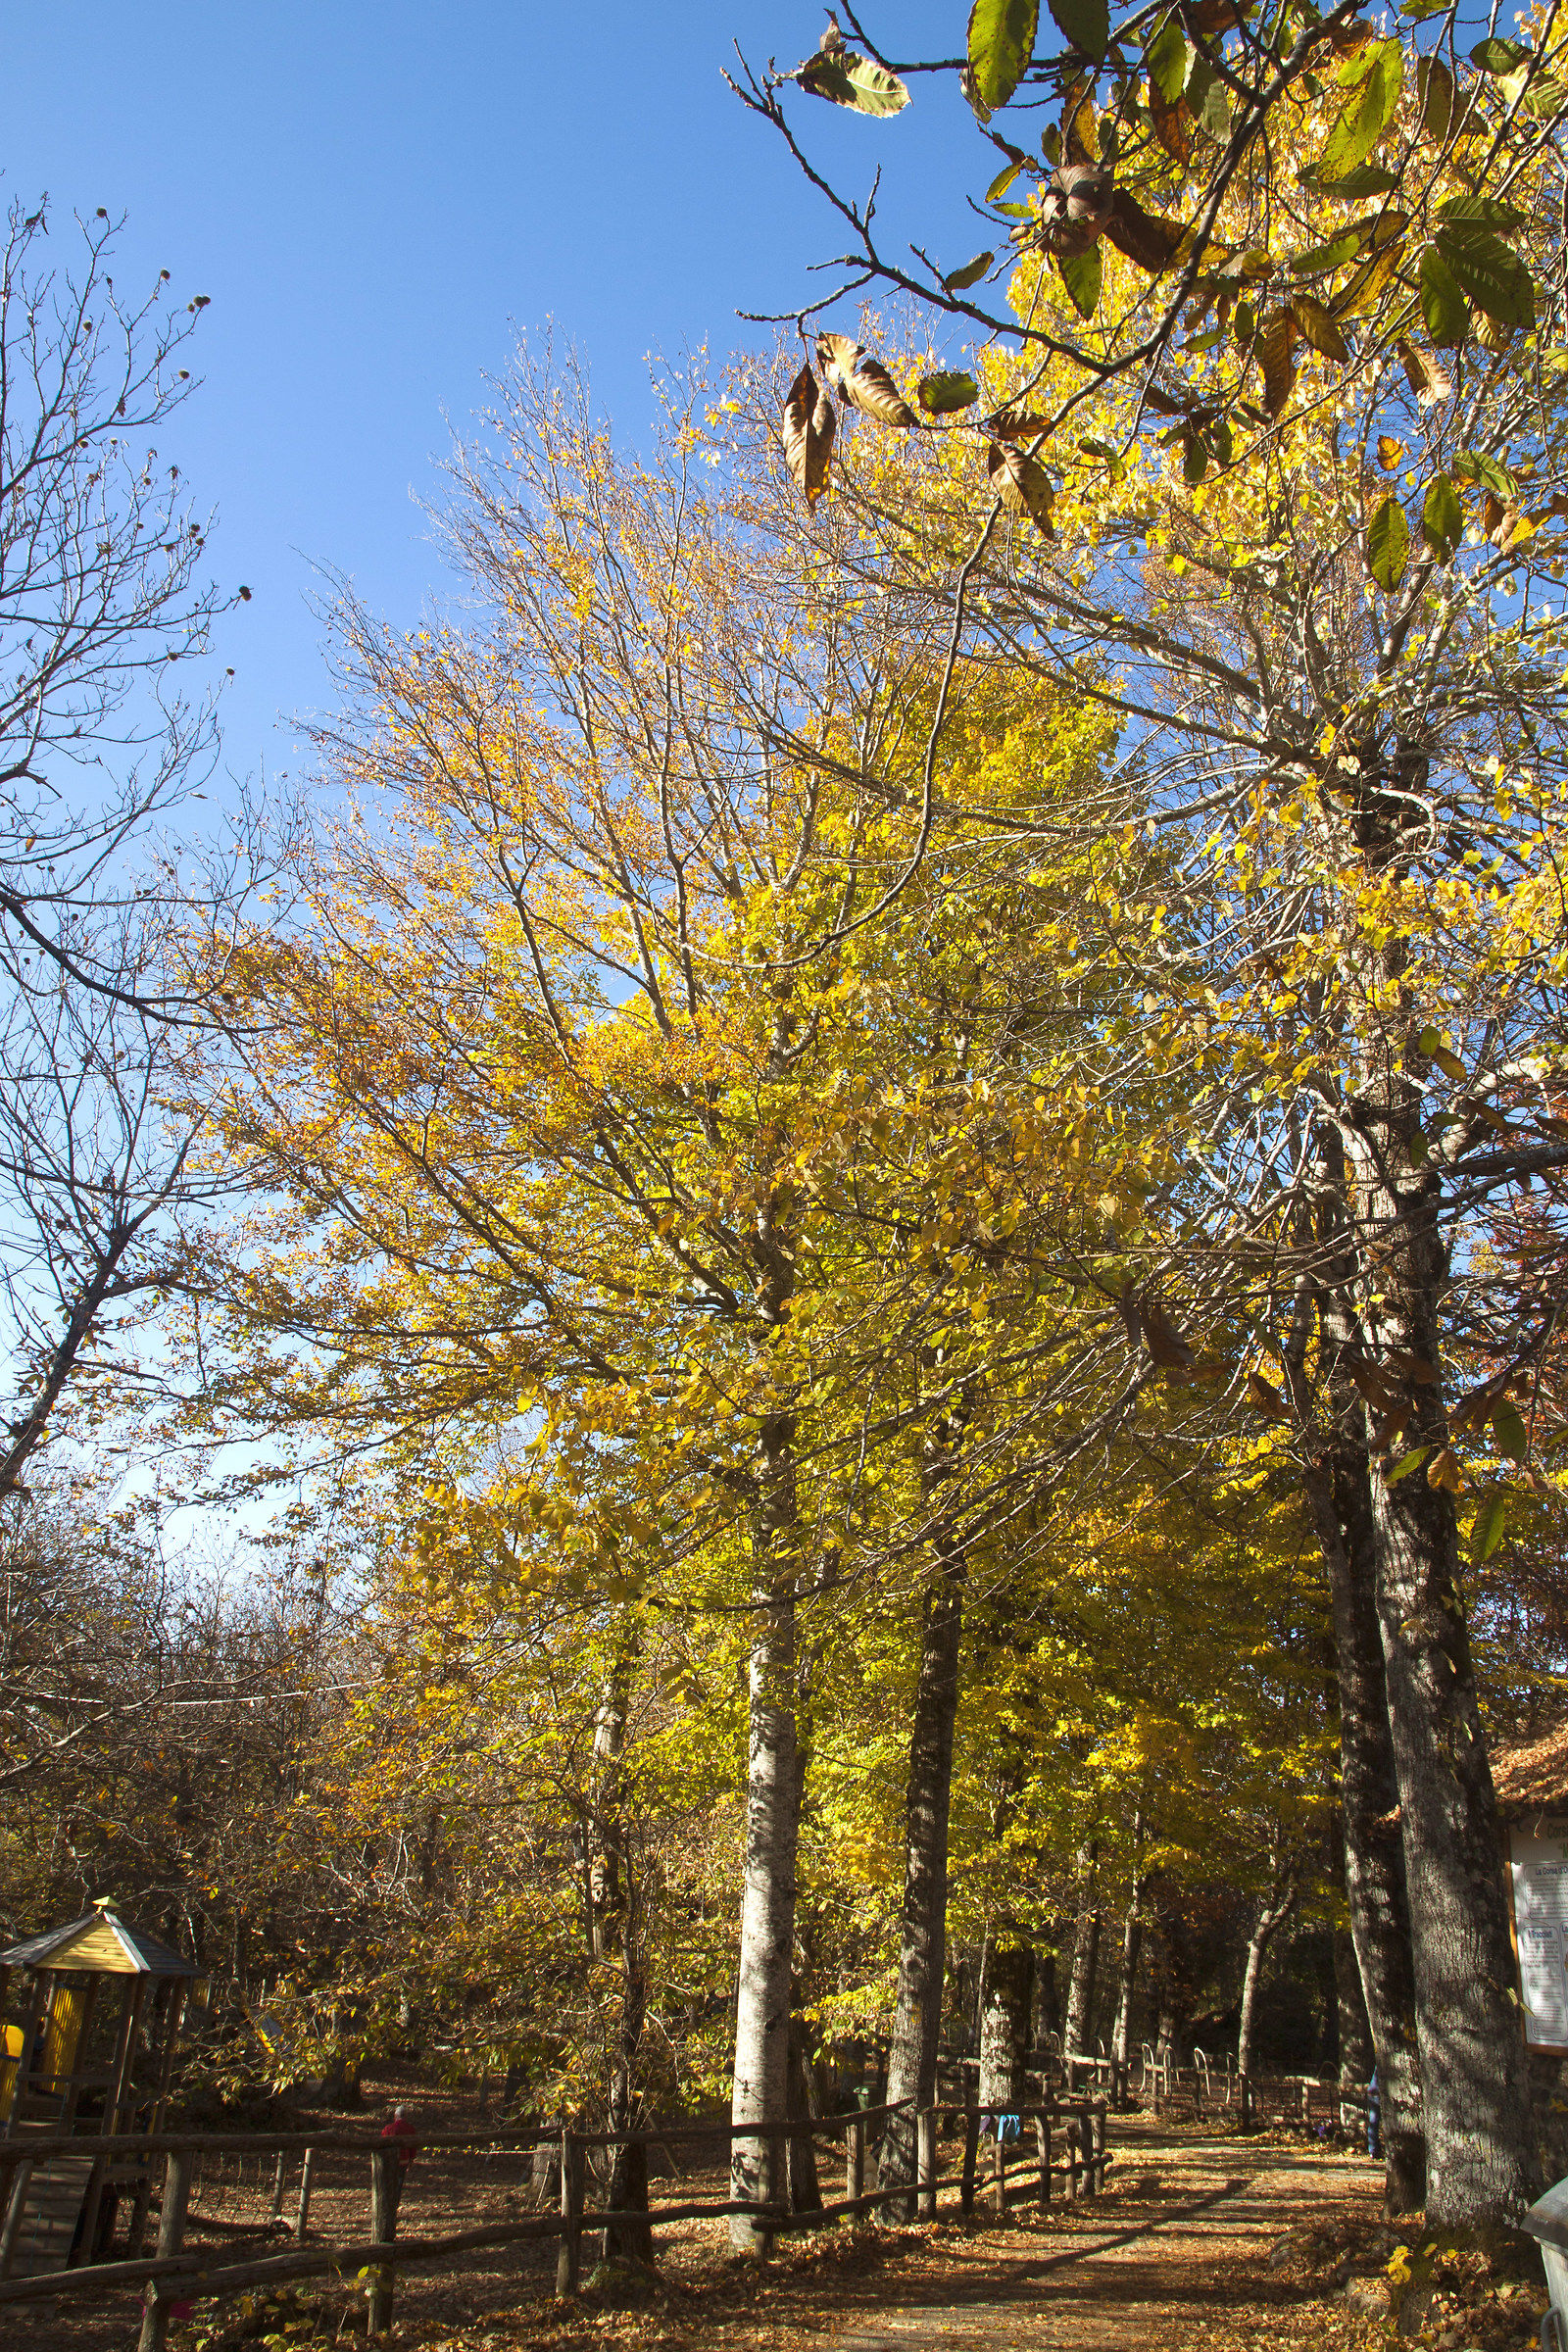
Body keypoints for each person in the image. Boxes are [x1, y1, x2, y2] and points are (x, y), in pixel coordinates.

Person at [380, 2104, 419, 2223]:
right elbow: (413, 2147)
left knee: (388, 2184)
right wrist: (411, 2159)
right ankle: (394, 2208)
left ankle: (387, 2209)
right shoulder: (410, 2129)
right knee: (398, 2185)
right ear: (405, 2116)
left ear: (395, 2116)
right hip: (403, 2162)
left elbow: (381, 2145)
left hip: (390, 2163)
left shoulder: (388, 2129)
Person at [1365, 2067, 1381, 2161]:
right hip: (1378, 2093)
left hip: (1372, 2092)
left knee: (1373, 2122)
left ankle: (1373, 2150)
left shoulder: (1379, 2064)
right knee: (1374, 2122)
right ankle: (1374, 2149)